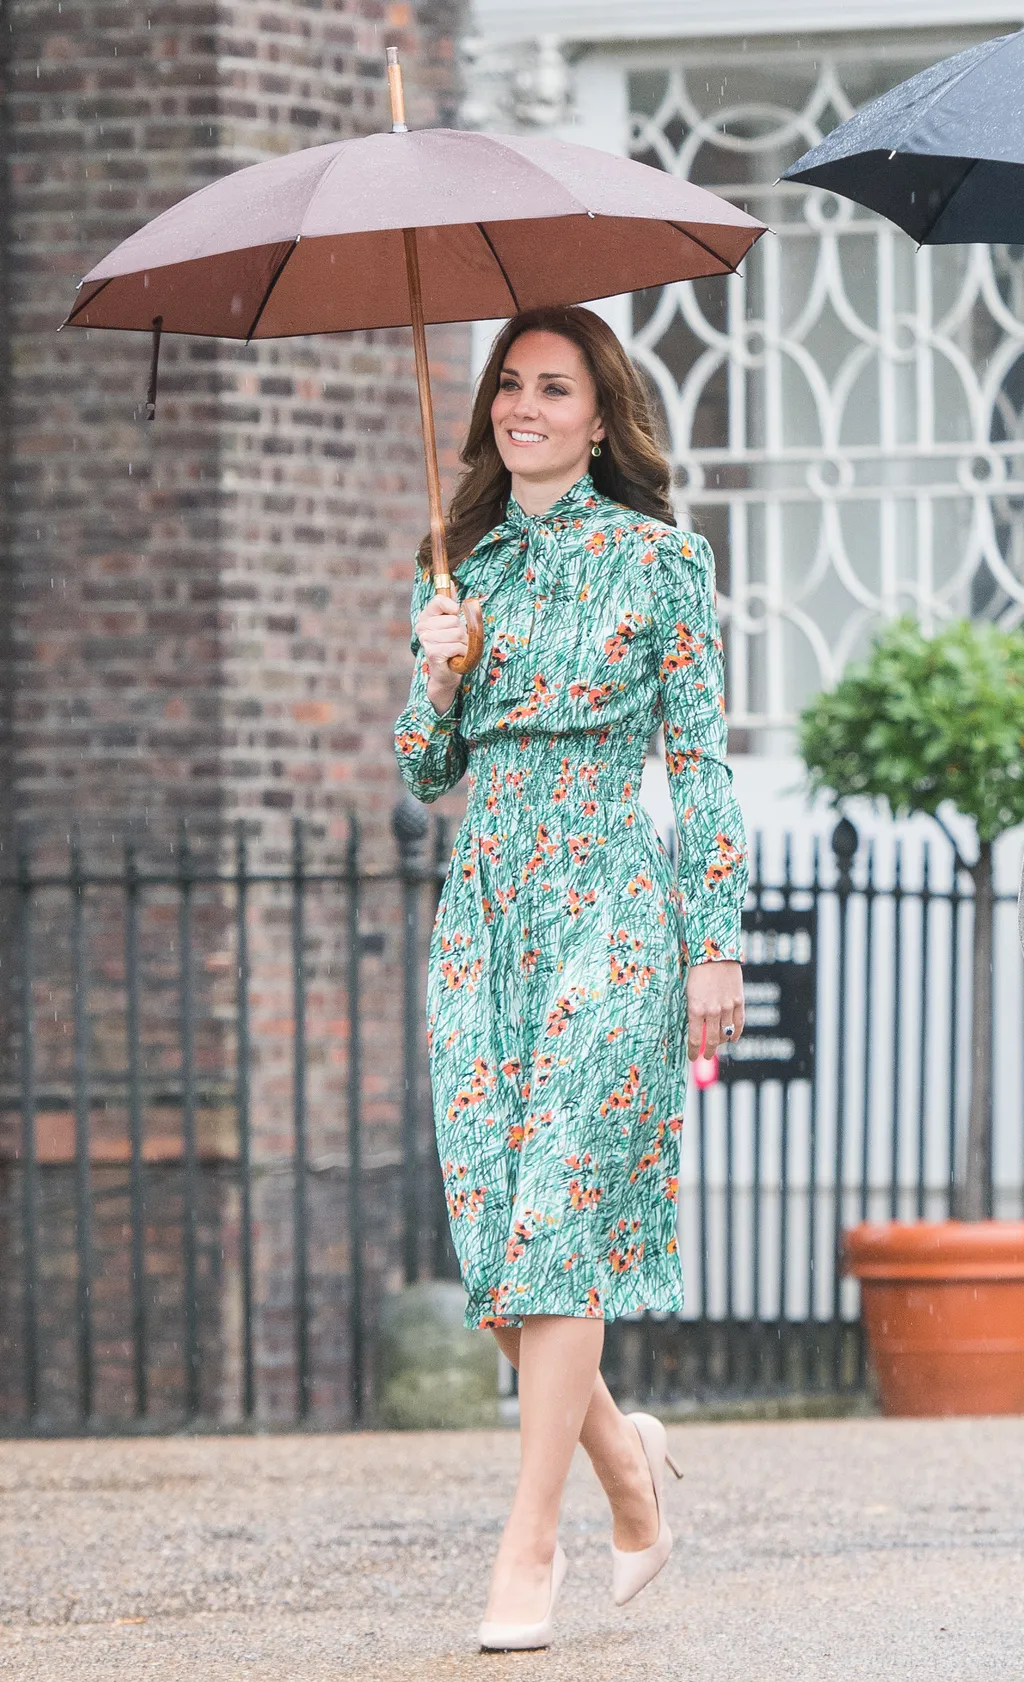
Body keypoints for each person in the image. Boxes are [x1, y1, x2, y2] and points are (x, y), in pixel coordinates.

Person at [393, 304, 746, 1651]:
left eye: (556, 387)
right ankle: (627, 1462)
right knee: (500, 1254)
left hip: (610, 899)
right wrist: (438, 678)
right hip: (484, 919)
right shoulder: (451, 567)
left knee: (554, 1226)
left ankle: (526, 1548)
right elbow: (424, 773)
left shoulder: (661, 563)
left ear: (603, 418)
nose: (524, 406)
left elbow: (700, 760)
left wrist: (714, 939)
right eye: (509, 384)